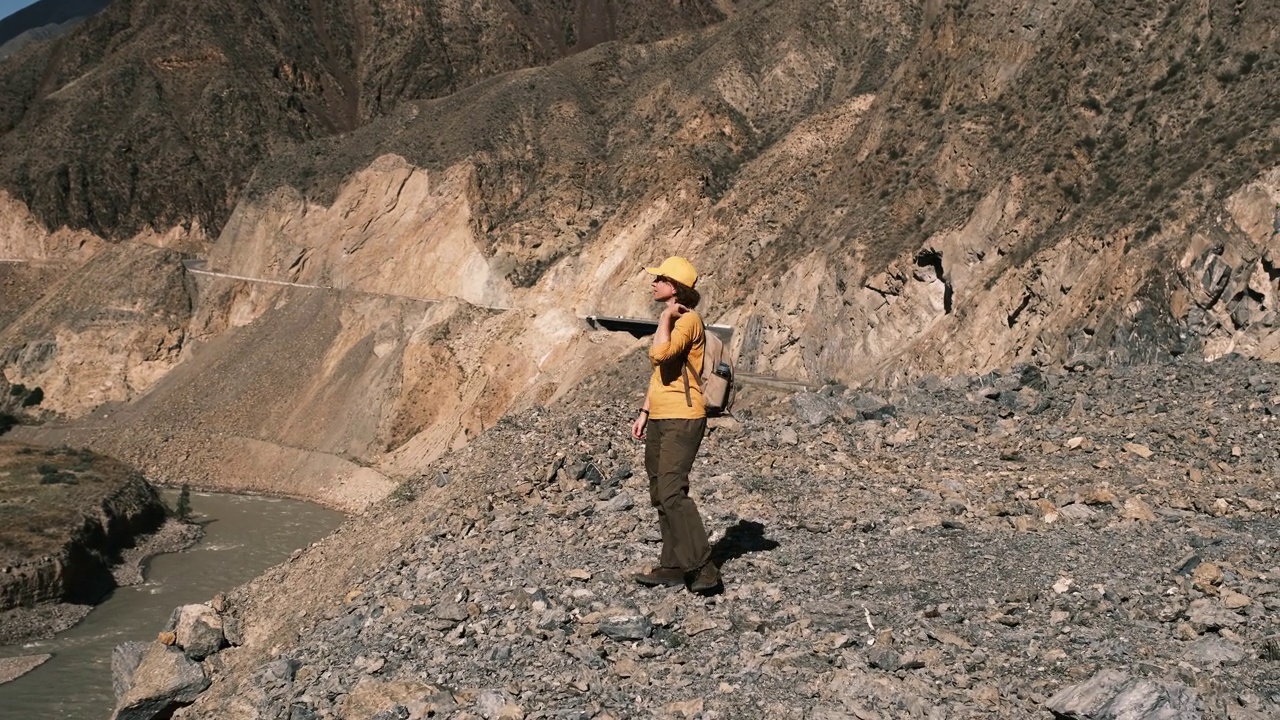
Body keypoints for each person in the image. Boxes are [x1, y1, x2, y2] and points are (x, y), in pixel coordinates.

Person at [630, 256, 721, 594]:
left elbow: (660, 357)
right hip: (661, 416)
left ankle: (703, 567)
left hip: (684, 418)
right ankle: (672, 565)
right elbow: (660, 376)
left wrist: (667, 318)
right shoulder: (671, 320)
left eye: (659, 279)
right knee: (660, 493)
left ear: (675, 286)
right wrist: (644, 412)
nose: (653, 284)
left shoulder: (687, 320)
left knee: (671, 491)